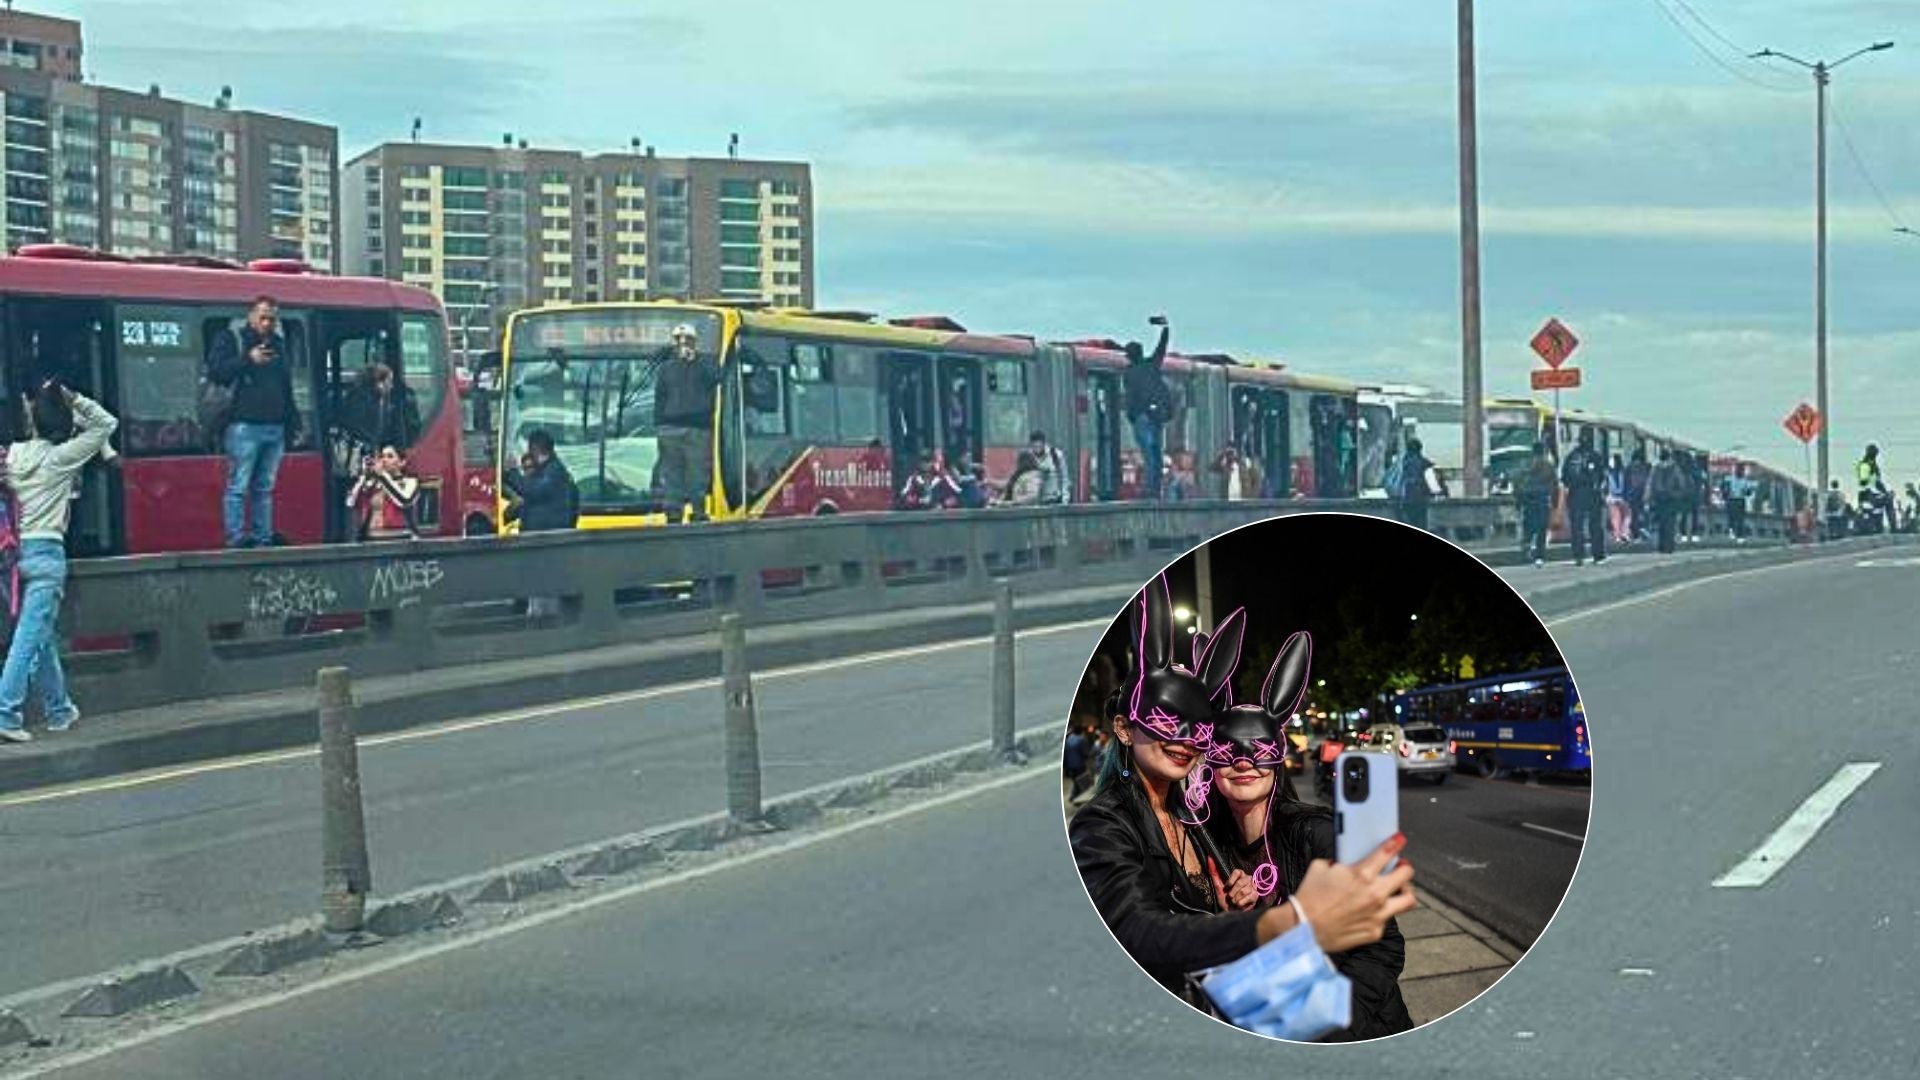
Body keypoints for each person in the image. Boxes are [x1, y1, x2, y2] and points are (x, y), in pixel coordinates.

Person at [1068, 577, 1417, 1009]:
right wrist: (1280, 921)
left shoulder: (1195, 823)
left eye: (1198, 725)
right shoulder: (1103, 824)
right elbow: (1139, 931)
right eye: (1164, 718)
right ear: (1123, 728)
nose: (1185, 738)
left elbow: (1379, 951)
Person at [1205, 632, 1414, 1042]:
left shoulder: (1315, 834)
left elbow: (1382, 946)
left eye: (1258, 749)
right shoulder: (1211, 846)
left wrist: (1330, 1021)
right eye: (1227, 751)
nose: (1243, 762)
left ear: (1278, 758)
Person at [0, 382, 117, 743]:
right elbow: (105, 425)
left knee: (41, 635)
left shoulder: (10, 457)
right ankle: (5, 712)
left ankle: (59, 708)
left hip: (13, 558)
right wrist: (74, 398)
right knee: (28, 638)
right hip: (47, 554)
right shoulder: (61, 457)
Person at [206, 295, 301, 548]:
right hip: (243, 425)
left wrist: (293, 421)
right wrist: (248, 359)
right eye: (263, 317)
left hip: (275, 425)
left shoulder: (278, 345)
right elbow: (216, 372)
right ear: (251, 316)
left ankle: (262, 537)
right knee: (238, 486)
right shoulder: (231, 339)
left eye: (272, 318)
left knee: (264, 488)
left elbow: (286, 385)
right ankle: (236, 538)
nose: (267, 323)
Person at [652, 323, 723, 521]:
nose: (683, 343)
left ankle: (698, 512)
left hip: (697, 428)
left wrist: (696, 361)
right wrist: (659, 425)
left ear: (695, 342)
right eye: (679, 340)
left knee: (696, 474)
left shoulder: (706, 362)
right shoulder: (666, 367)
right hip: (670, 428)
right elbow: (660, 397)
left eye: (687, 339)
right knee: (671, 474)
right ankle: (674, 513)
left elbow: (719, 378)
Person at [1122, 316, 1172, 501]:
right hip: (1157, 416)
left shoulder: (1129, 373)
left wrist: (1132, 416)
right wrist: (1166, 328)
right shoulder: (1152, 364)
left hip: (1142, 418)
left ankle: (1150, 489)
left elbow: (1130, 398)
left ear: (1129, 356)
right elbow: (1162, 348)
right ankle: (1156, 488)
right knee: (1157, 453)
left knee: (1148, 454)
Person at [503, 430, 578, 533]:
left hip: (548, 539)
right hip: (542, 536)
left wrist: (512, 472)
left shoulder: (554, 471)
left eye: (529, 449)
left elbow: (533, 491)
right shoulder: (547, 470)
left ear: (536, 449)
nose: (528, 453)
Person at [345, 444, 421, 541]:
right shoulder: (375, 483)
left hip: (401, 540)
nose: (384, 460)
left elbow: (404, 501)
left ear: (402, 462)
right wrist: (364, 476)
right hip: (371, 540)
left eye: (390, 456)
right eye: (382, 456)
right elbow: (350, 502)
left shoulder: (411, 482)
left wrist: (382, 476)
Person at [1559, 428, 1607, 565]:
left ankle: (1579, 556)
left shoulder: (1571, 457)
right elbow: (1602, 476)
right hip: (1592, 495)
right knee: (1595, 526)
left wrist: (1573, 485)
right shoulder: (1595, 456)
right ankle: (1598, 555)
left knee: (1577, 527)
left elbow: (1564, 478)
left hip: (1575, 495)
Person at [1515, 440, 1556, 566]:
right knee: (1541, 529)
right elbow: (1553, 485)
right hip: (1541, 500)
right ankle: (1539, 556)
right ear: (1543, 451)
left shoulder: (1526, 465)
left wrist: (1519, 500)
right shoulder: (1548, 465)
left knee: (1529, 527)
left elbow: (1518, 484)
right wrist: (1554, 501)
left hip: (1528, 500)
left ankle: (1526, 550)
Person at [1002, 430, 1068, 505]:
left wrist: (1065, 499)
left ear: (1044, 443)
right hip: (1038, 501)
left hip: (1054, 498)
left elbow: (1064, 478)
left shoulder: (1055, 455)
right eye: (1034, 447)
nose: (1037, 449)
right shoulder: (1029, 457)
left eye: (1039, 446)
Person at [1647, 448, 1686, 554]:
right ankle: (1667, 546)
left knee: (1664, 524)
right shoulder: (1673, 468)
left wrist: (1648, 498)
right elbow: (1682, 485)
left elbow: (1650, 485)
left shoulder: (1657, 468)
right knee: (1668, 524)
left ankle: (1665, 546)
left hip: (1665, 499)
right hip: (1667, 499)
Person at [1397, 437, 1441, 531]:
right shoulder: (1424, 463)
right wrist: (1437, 493)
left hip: (1406, 499)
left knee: (1409, 522)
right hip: (1421, 498)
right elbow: (1432, 483)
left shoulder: (1403, 463)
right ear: (1420, 449)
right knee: (1421, 523)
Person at [1857, 445, 1890, 534]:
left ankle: (1876, 526)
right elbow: (1871, 481)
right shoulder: (1868, 464)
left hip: (1868, 492)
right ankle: (1889, 526)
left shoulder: (1868, 464)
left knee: (1878, 508)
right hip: (1869, 493)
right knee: (1887, 501)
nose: (1876, 456)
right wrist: (1885, 492)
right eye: (1875, 454)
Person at [1625, 448, 1651, 543]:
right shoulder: (1647, 466)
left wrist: (1626, 495)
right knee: (1645, 513)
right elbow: (1650, 481)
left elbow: (1626, 482)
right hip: (1644, 493)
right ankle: (1644, 529)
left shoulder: (1629, 467)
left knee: (1634, 515)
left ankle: (1636, 533)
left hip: (1633, 494)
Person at [1723, 463, 1753, 543]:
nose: (1740, 471)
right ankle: (1732, 532)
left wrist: (1746, 491)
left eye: (1741, 469)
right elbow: (1724, 489)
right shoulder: (1729, 479)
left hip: (1740, 500)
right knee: (1731, 518)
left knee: (1740, 519)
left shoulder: (1745, 480)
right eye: (1738, 469)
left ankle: (1740, 536)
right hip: (1731, 500)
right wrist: (1726, 495)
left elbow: (1749, 492)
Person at [1606, 453, 1631, 544]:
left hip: (1611, 497)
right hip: (1623, 497)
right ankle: (1624, 533)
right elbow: (1628, 484)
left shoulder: (1608, 473)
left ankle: (1617, 536)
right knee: (1626, 516)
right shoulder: (1624, 472)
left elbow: (1605, 486)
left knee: (1615, 518)